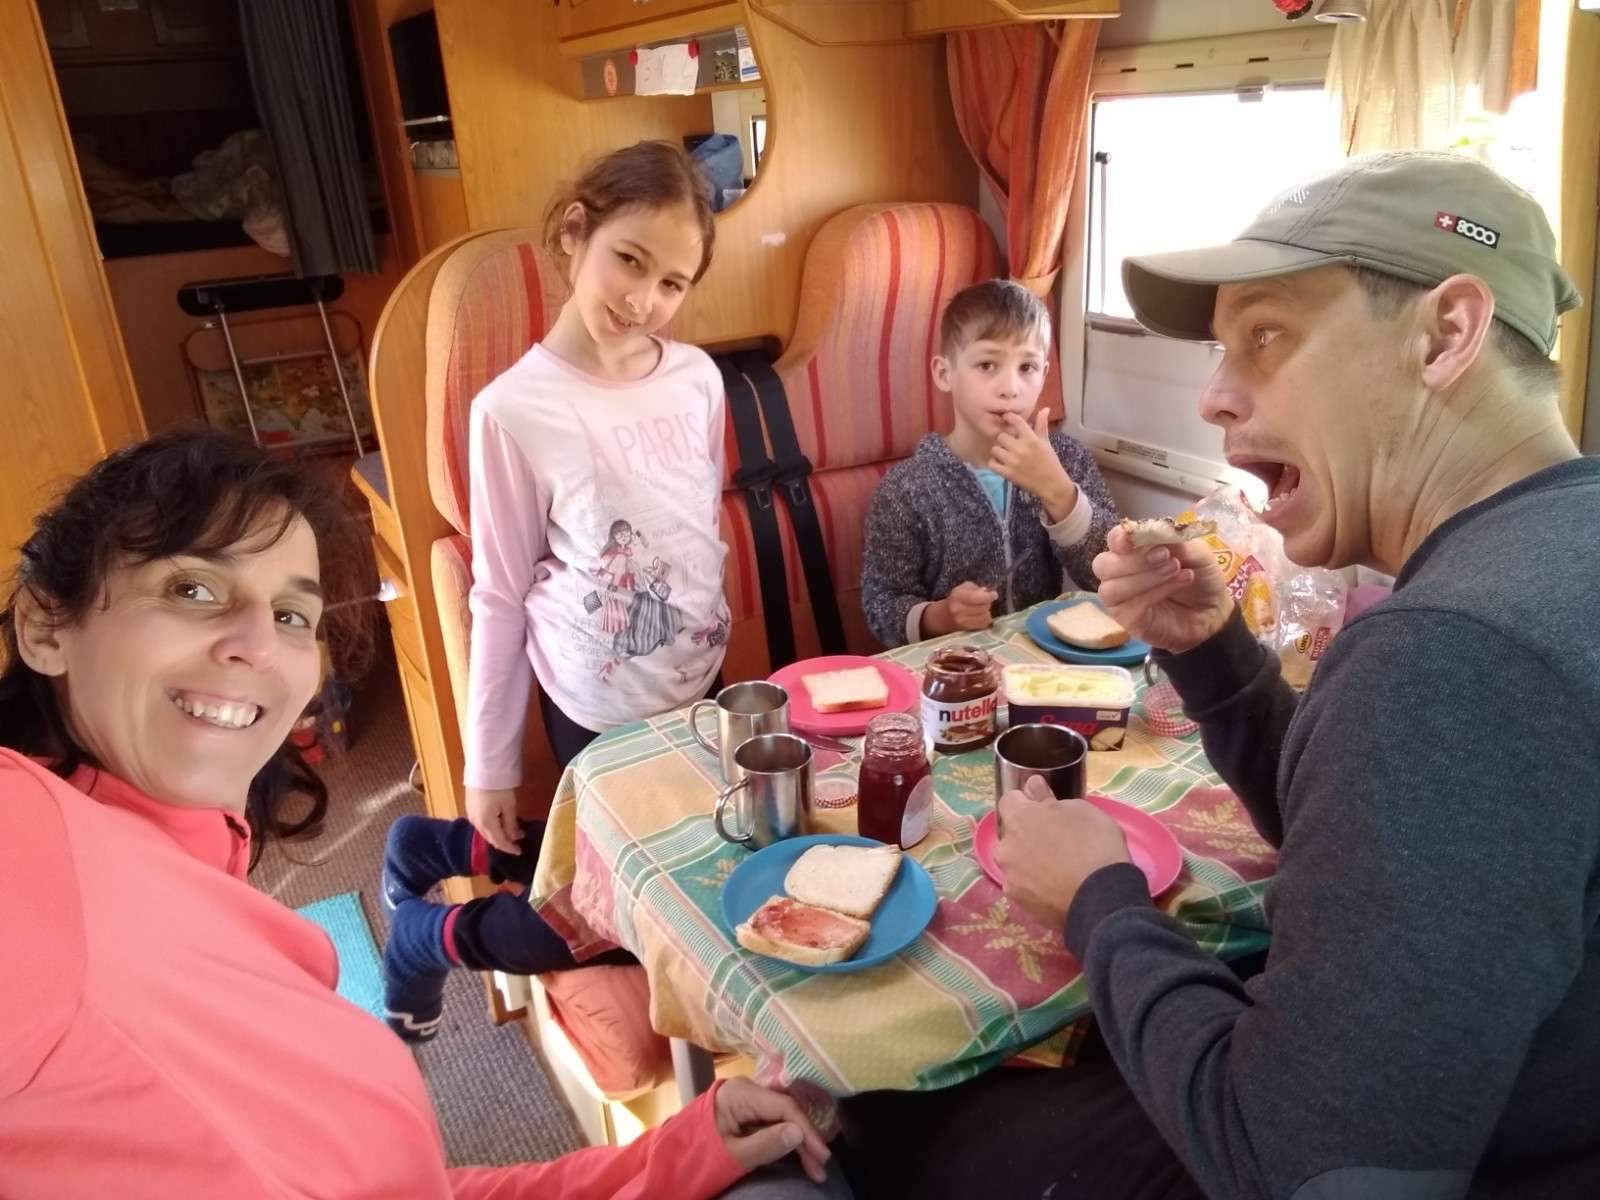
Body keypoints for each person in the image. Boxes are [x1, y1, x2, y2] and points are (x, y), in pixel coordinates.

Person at [0, 429, 841, 1198]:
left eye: (291, 614)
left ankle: (427, 859)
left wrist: (671, 1158)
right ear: (45, 627)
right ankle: (427, 931)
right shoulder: (29, 844)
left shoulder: (183, 874)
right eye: (193, 589)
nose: (257, 645)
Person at [981, 152, 1597, 1198]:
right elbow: (1379, 849)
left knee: (901, 1116)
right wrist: (1212, 651)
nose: (1215, 398)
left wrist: (1098, 899)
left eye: (1265, 337)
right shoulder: (1556, 549)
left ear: (1445, 334)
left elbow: (1293, 1168)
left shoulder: (1454, 654)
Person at [382, 140, 734, 1037]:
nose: (644, 300)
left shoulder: (697, 379)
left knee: (705, 875)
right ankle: (429, 938)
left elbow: (699, 520)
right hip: (598, 707)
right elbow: (498, 595)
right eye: (629, 261)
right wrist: (488, 767)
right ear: (575, 234)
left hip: (701, 685)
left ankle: (443, 848)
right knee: (625, 925)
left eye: (672, 282)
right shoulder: (514, 410)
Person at [860, 279, 1117, 648]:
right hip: (956, 667)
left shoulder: (1067, 460)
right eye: (987, 365)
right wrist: (941, 616)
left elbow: (1111, 573)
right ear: (944, 373)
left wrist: (1059, 492)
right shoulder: (906, 490)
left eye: (1027, 367)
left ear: (1045, 374)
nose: (1010, 387)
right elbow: (881, 604)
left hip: (1042, 660)